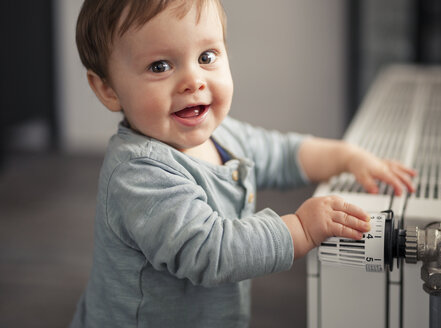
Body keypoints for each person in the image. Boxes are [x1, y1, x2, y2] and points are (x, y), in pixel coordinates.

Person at [70, 0, 416, 327]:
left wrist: (345, 157)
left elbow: (281, 153)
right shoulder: (139, 173)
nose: (194, 81)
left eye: (207, 56)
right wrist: (302, 229)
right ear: (107, 89)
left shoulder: (223, 136)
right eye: (160, 66)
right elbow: (210, 250)